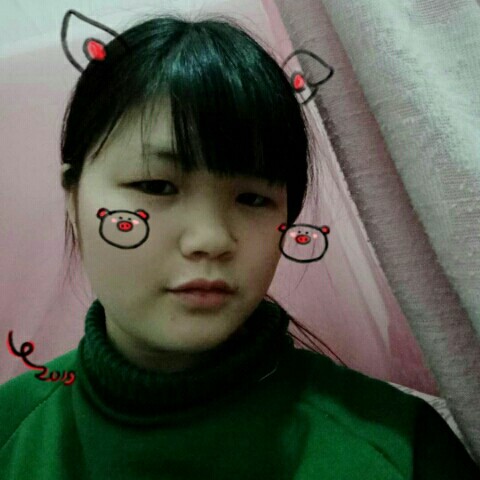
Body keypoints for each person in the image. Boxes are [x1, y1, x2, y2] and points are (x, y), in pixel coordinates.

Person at [0, 12, 478, 479]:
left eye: (252, 198)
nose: (210, 239)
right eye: (156, 186)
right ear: (73, 198)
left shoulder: (402, 450)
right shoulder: (11, 427)